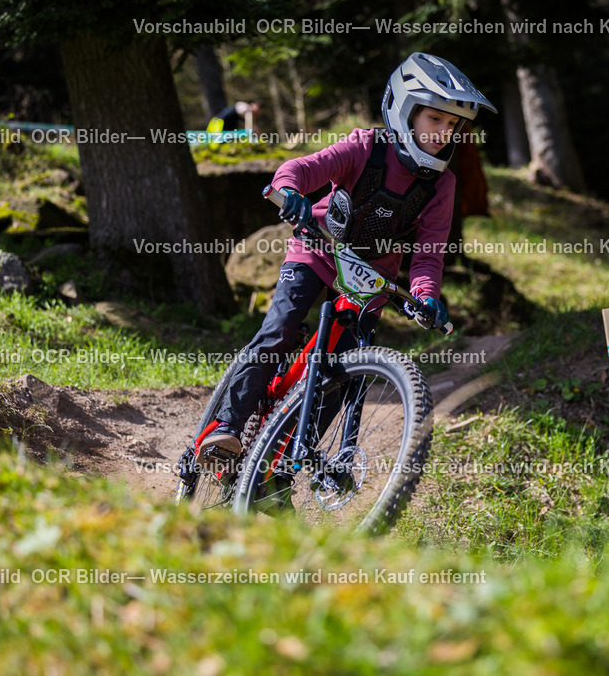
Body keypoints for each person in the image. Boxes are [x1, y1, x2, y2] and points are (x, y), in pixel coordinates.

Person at [196, 52, 496, 462]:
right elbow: (300, 169)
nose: (444, 132)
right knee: (280, 329)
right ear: (405, 112)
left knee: (340, 379)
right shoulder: (365, 147)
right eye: (435, 119)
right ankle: (226, 426)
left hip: (370, 279)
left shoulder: (442, 186)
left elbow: (428, 254)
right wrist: (292, 193)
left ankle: (275, 471)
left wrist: (426, 295)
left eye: (453, 124)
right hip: (317, 249)